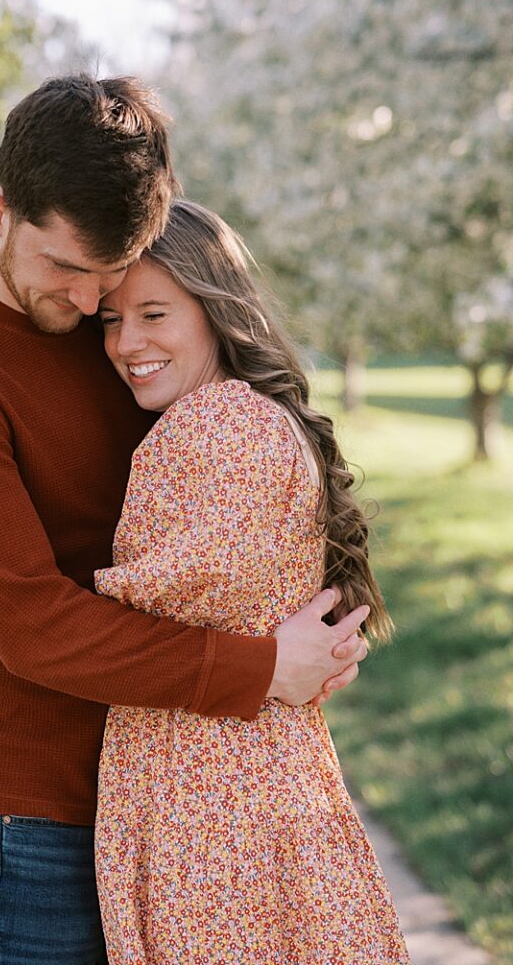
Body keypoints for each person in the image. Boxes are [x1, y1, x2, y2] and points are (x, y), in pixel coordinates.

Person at [0, 74, 368, 965]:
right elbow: (32, 627)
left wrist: (315, 626)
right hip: (29, 823)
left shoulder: (118, 316)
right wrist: (261, 668)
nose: (88, 308)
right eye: (66, 269)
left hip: (175, 802)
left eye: (112, 280)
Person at [92, 199, 409, 963]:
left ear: (216, 309)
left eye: (154, 314)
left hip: (213, 808)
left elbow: (120, 615)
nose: (127, 342)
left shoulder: (214, 426)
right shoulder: (255, 416)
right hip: (253, 784)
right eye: (109, 319)